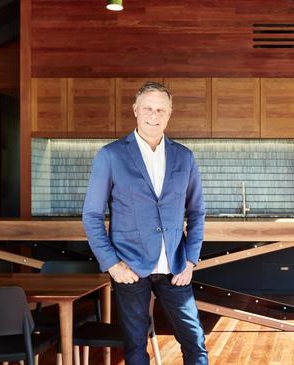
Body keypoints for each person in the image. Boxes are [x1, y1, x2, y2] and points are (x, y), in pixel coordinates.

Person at [82, 81, 208, 364]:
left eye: (161, 110)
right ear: (136, 110)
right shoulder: (111, 155)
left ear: (170, 113)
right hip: (130, 268)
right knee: (135, 347)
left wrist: (190, 261)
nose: (154, 115)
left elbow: (197, 212)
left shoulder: (184, 157)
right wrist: (113, 265)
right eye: (148, 108)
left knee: (195, 342)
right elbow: (91, 215)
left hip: (175, 268)